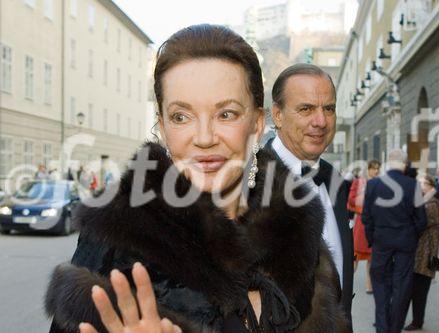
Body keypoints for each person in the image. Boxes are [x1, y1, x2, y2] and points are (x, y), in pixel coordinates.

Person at [45, 24, 348, 333]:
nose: (204, 138)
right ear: (162, 127)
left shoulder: (297, 232)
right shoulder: (115, 238)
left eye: (226, 114)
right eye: (181, 116)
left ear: (257, 123)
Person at [264, 63, 354, 328]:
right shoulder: (250, 183)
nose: (321, 121)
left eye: (329, 109)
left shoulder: (333, 177)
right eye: (306, 109)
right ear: (277, 115)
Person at [362, 149, 427, 333]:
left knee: (380, 284)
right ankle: (395, 327)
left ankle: (382, 327)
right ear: (405, 164)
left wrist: (372, 239)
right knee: (402, 285)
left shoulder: (374, 184)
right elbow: (421, 219)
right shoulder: (412, 185)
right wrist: (412, 235)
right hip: (405, 241)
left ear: (388, 162)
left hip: (381, 240)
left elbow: (367, 217)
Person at [404, 174, 439, 331]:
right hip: (418, 250)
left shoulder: (432, 202)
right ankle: (414, 320)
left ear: (431, 186)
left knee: (420, 290)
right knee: (412, 287)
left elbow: (423, 221)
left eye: (423, 183)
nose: (420, 186)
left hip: (426, 252)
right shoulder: (423, 200)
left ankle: (417, 321)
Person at [348, 160, 380, 294]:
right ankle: (346, 283)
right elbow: (351, 199)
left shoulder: (381, 183)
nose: (376, 171)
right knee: (355, 255)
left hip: (376, 222)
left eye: (378, 168)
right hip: (362, 221)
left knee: (371, 257)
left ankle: (370, 285)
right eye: (374, 168)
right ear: (368, 169)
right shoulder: (360, 182)